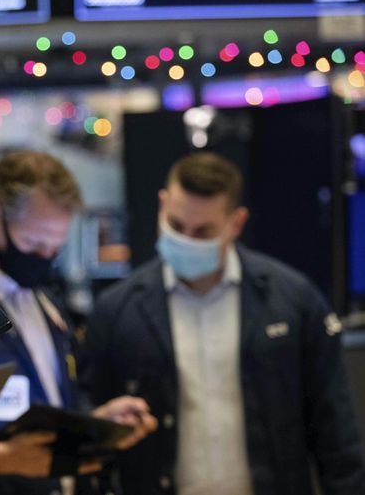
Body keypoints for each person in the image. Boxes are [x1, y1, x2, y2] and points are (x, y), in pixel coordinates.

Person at [82, 152, 365, 495]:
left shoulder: (292, 299)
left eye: (202, 232)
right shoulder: (117, 310)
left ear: (236, 222)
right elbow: (88, 420)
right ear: (162, 203)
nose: (186, 239)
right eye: (175, 225)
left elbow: (335, 428)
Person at [0, 150, 157, 495]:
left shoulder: (43, 297)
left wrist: (96, 422)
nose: (44, 258)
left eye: (55, 248)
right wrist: (1, 458)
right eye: (34, 244)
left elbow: (53, 401)